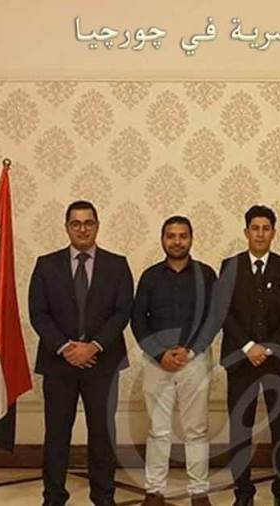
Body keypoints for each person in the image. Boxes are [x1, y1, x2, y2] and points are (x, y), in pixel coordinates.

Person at [28, 200, 134, 506]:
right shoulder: (46, 265)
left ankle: (103, 496)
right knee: (57, 435)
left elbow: (122, 311)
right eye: (76, 223)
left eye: (89, 223)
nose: (83, 229)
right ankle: (53, 497)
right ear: (67, 228)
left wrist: (93, 346)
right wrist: (66, 348)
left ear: (97, 226)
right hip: (58, 364)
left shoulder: (117, 265)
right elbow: (38, 313)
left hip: (103, 363)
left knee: (102, 434)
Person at [131, 216, 220, 506]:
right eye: (171, 236)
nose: (177, 241)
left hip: (195, 360)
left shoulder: (206, 274)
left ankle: (199, 492)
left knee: (196, 430)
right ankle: (154, 490)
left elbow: (214, 318)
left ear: (191, 239)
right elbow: (138, 320)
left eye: (183, 236)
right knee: (158, 430)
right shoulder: (150, 276)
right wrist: (160, 354)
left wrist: (190, 351)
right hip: (157, 363)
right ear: (163, 239)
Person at [220, 205, 280, 506]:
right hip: (241, 360)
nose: (260, 234)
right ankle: (243, 492)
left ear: (274, 233)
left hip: (277, 360)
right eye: (255, 228)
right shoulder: (230, 266)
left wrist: (268, 348)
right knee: (240, 429)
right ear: (246, 232)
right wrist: (248, 347)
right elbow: (223, 312)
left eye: (266, 228)